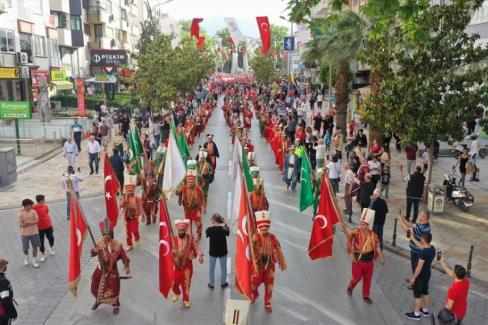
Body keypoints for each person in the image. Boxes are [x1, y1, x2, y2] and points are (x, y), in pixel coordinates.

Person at [341, 210, 385, 304]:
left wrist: (381, 257)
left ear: (368, 225)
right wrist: (344, 227)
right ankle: (350, 287)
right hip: (358, 259)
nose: (361, 226)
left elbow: (377, 246)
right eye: (360, 224)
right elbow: (348, 234)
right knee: (356, 277)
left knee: (368, 279)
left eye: (363, 224)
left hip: (369, 261)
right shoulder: (356, 232)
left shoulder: (373, 235)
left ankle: (366, 295)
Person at [90, 218, 130, 315]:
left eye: (108, 234)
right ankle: (98, 300)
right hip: (100, 270)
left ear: (111, 234)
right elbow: (92, 253)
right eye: (104, 234)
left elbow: (124, 256)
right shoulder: (99, 244)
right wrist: (94, 251)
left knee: (113, 287)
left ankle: (115, 305)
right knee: (95, 286)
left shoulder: (117, 245)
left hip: (112, 271)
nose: (106, 236)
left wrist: (126, 266)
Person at [251, 210, 287, 313]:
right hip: (258, 265)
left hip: (270, 266)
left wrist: (279, 258)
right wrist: (253, 243)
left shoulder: (272, 237)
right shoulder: (255, 237)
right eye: (262, 228)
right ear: (259, 228)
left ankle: (268, 303)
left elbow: (278, 250)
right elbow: (251, 250)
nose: (264, 230)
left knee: (269, 285)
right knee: (253, 283)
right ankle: (254, 294)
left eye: (266, 228)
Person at [172, 219, 204, 309]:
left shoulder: (190, 239)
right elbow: (169, 250)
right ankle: (177, 292)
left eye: (182, 230)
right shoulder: (174, 239)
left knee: (186, 284)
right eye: (179, 230)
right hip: (177, 264)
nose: (181, 232)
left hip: (187, 265)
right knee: (174, 282)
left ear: (185, 230)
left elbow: (196, 247)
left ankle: (186, 299)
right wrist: (174, 252)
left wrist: (200, 256)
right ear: (177, 230)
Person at [405, 232, 436, 321]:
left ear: (423, 240)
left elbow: (419, 267)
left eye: (421, 238)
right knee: (425, 291)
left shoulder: (423, 253)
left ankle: (416, 314)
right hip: (427, 274)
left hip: (420, 276)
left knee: (417, 294)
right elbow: (422, 247)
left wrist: (413, 277)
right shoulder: (432, 248)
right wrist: (413, 238)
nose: (421, 239)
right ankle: (425, 310)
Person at [176, 160, 206, 241]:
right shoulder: (184, 188)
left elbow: (203, 198)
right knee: (189, 224)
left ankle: (199, 233)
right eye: (188, 181)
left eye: (192, 182)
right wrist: (177, 191)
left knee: (198, 224)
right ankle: (191, 237)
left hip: (196, 210)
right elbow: (179, 193)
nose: (190, 183)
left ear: (194, 182)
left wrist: (204, 208)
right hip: (187, 210)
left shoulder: (198, 189)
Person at [399, 210, 432, 274]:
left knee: (416, 266)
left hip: (417, 251)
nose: (418, 216)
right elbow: (410, 224)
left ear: (424, 217)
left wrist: (400, 220)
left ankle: (415, 280)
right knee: (414, 266)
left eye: (420, 215)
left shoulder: (422, 228)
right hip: (415, 249)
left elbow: (407, 230)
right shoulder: (423, 224)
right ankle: (414, 277)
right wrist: (402, 217)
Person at [439, 259, 470, 324]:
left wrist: (442, 312)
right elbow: (451, 274)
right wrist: (442, 262)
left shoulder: (454, 289)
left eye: (453, 271)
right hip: (462, 311)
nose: (452, 271)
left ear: (455, 275)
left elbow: (449, 306)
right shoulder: (465, 281)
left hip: (453, 315)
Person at [206, 214, 229, 289]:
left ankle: (212, 284)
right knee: (223, 268)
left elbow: (207, 234)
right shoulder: (223, 229)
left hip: (213, 253)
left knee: (211, 269)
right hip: (223, 252)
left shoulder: (209, 230)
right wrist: (225, 223)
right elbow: (228, 232)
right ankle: (223, 283)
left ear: (214, 220)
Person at [119, 182, 143, 251]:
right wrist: (124, 198)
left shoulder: (137, 198)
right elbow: (121, 205)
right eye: (128, 191)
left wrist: (142, 215)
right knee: (128, 232)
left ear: (133, 191)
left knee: (135, 230)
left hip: (135, 217)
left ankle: (137, 239)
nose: (130, 192)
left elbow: (141, 207)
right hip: (127, 218)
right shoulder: (124, 198)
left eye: (131, 191)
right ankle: (129, 245)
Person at [17, 199, 41, 268]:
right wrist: (30, 222)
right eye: (30, 205)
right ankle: (26, 257)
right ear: (26, 206)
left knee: (35, 247)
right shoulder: (20, 213)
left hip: (34, 233)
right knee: (25, 249)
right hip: (24, 234)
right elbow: (21, 225)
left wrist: (27, 222)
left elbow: (37, 221)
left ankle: (34, 261)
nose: (32, 206)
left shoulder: (33, 211)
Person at [32, 195, 55, 261]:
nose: (44, 200)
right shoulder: (34, 208)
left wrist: (51, 225)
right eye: (43, 199)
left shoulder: (45, 206)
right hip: (39, 228)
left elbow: (47, 214)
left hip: (48, 226)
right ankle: (43, 254)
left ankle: (51, 247)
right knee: (41, 242)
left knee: (51, 238)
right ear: (40, 200)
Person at [0, 259, 17, 324]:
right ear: (2, 267)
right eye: (5, 265)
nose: (6, 266)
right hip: (2, 313)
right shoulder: (3, 281)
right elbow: (6, 300)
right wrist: (13, 314)